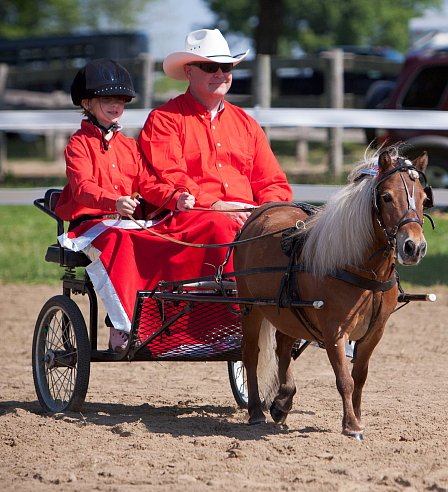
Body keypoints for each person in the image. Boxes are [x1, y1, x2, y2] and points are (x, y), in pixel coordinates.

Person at [55, 58, 196, 352]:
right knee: (120, 240)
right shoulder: (78, 144)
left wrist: (175, 197)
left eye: (121, 100)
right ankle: (122, 325)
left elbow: (147, 183)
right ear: (86, 102)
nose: (116, 105)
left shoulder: (129, 145)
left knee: (160, 239)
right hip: (90, 226)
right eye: (107, 99)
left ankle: (166, 321)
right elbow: (82, 188)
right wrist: (113, 201)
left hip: (124, 223)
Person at [138, 28, 292, 224]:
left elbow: (272, 181)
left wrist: (268, 215)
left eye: (226, 66)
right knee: (224, 229)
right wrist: (216, 206)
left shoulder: (246, 123)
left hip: (248, 218)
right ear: (189, 71)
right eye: (209, 67)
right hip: (193, 217)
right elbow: (171, 178)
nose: (220, 73)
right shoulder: (164, 120)